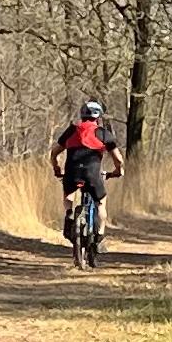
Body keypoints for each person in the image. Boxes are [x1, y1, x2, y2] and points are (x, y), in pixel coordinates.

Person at [52, 101, 123, 240]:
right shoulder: (103, 134)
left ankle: (69, 214)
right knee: (101, 202)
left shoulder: (72, 130)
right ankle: (99, 235)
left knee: (68, 194)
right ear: (98, 117)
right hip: (92, 175)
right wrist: (118, 170)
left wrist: (57, 168)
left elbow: (54, 153)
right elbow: (118, 159)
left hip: (72, 173)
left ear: (82, 115)